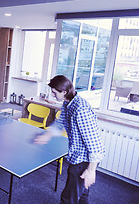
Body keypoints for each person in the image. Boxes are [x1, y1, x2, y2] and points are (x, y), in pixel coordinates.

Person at [34, 75, 105, 204]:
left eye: (55, 92)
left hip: (83, 160)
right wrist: (47, 135)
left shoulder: (80, 110)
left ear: (64, 92)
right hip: (77, 155)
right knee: (82, 195)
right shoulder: (67, 104)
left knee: (68, 198)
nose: (53, 95)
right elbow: (60, 123)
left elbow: (95, 144)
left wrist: (91, 170)